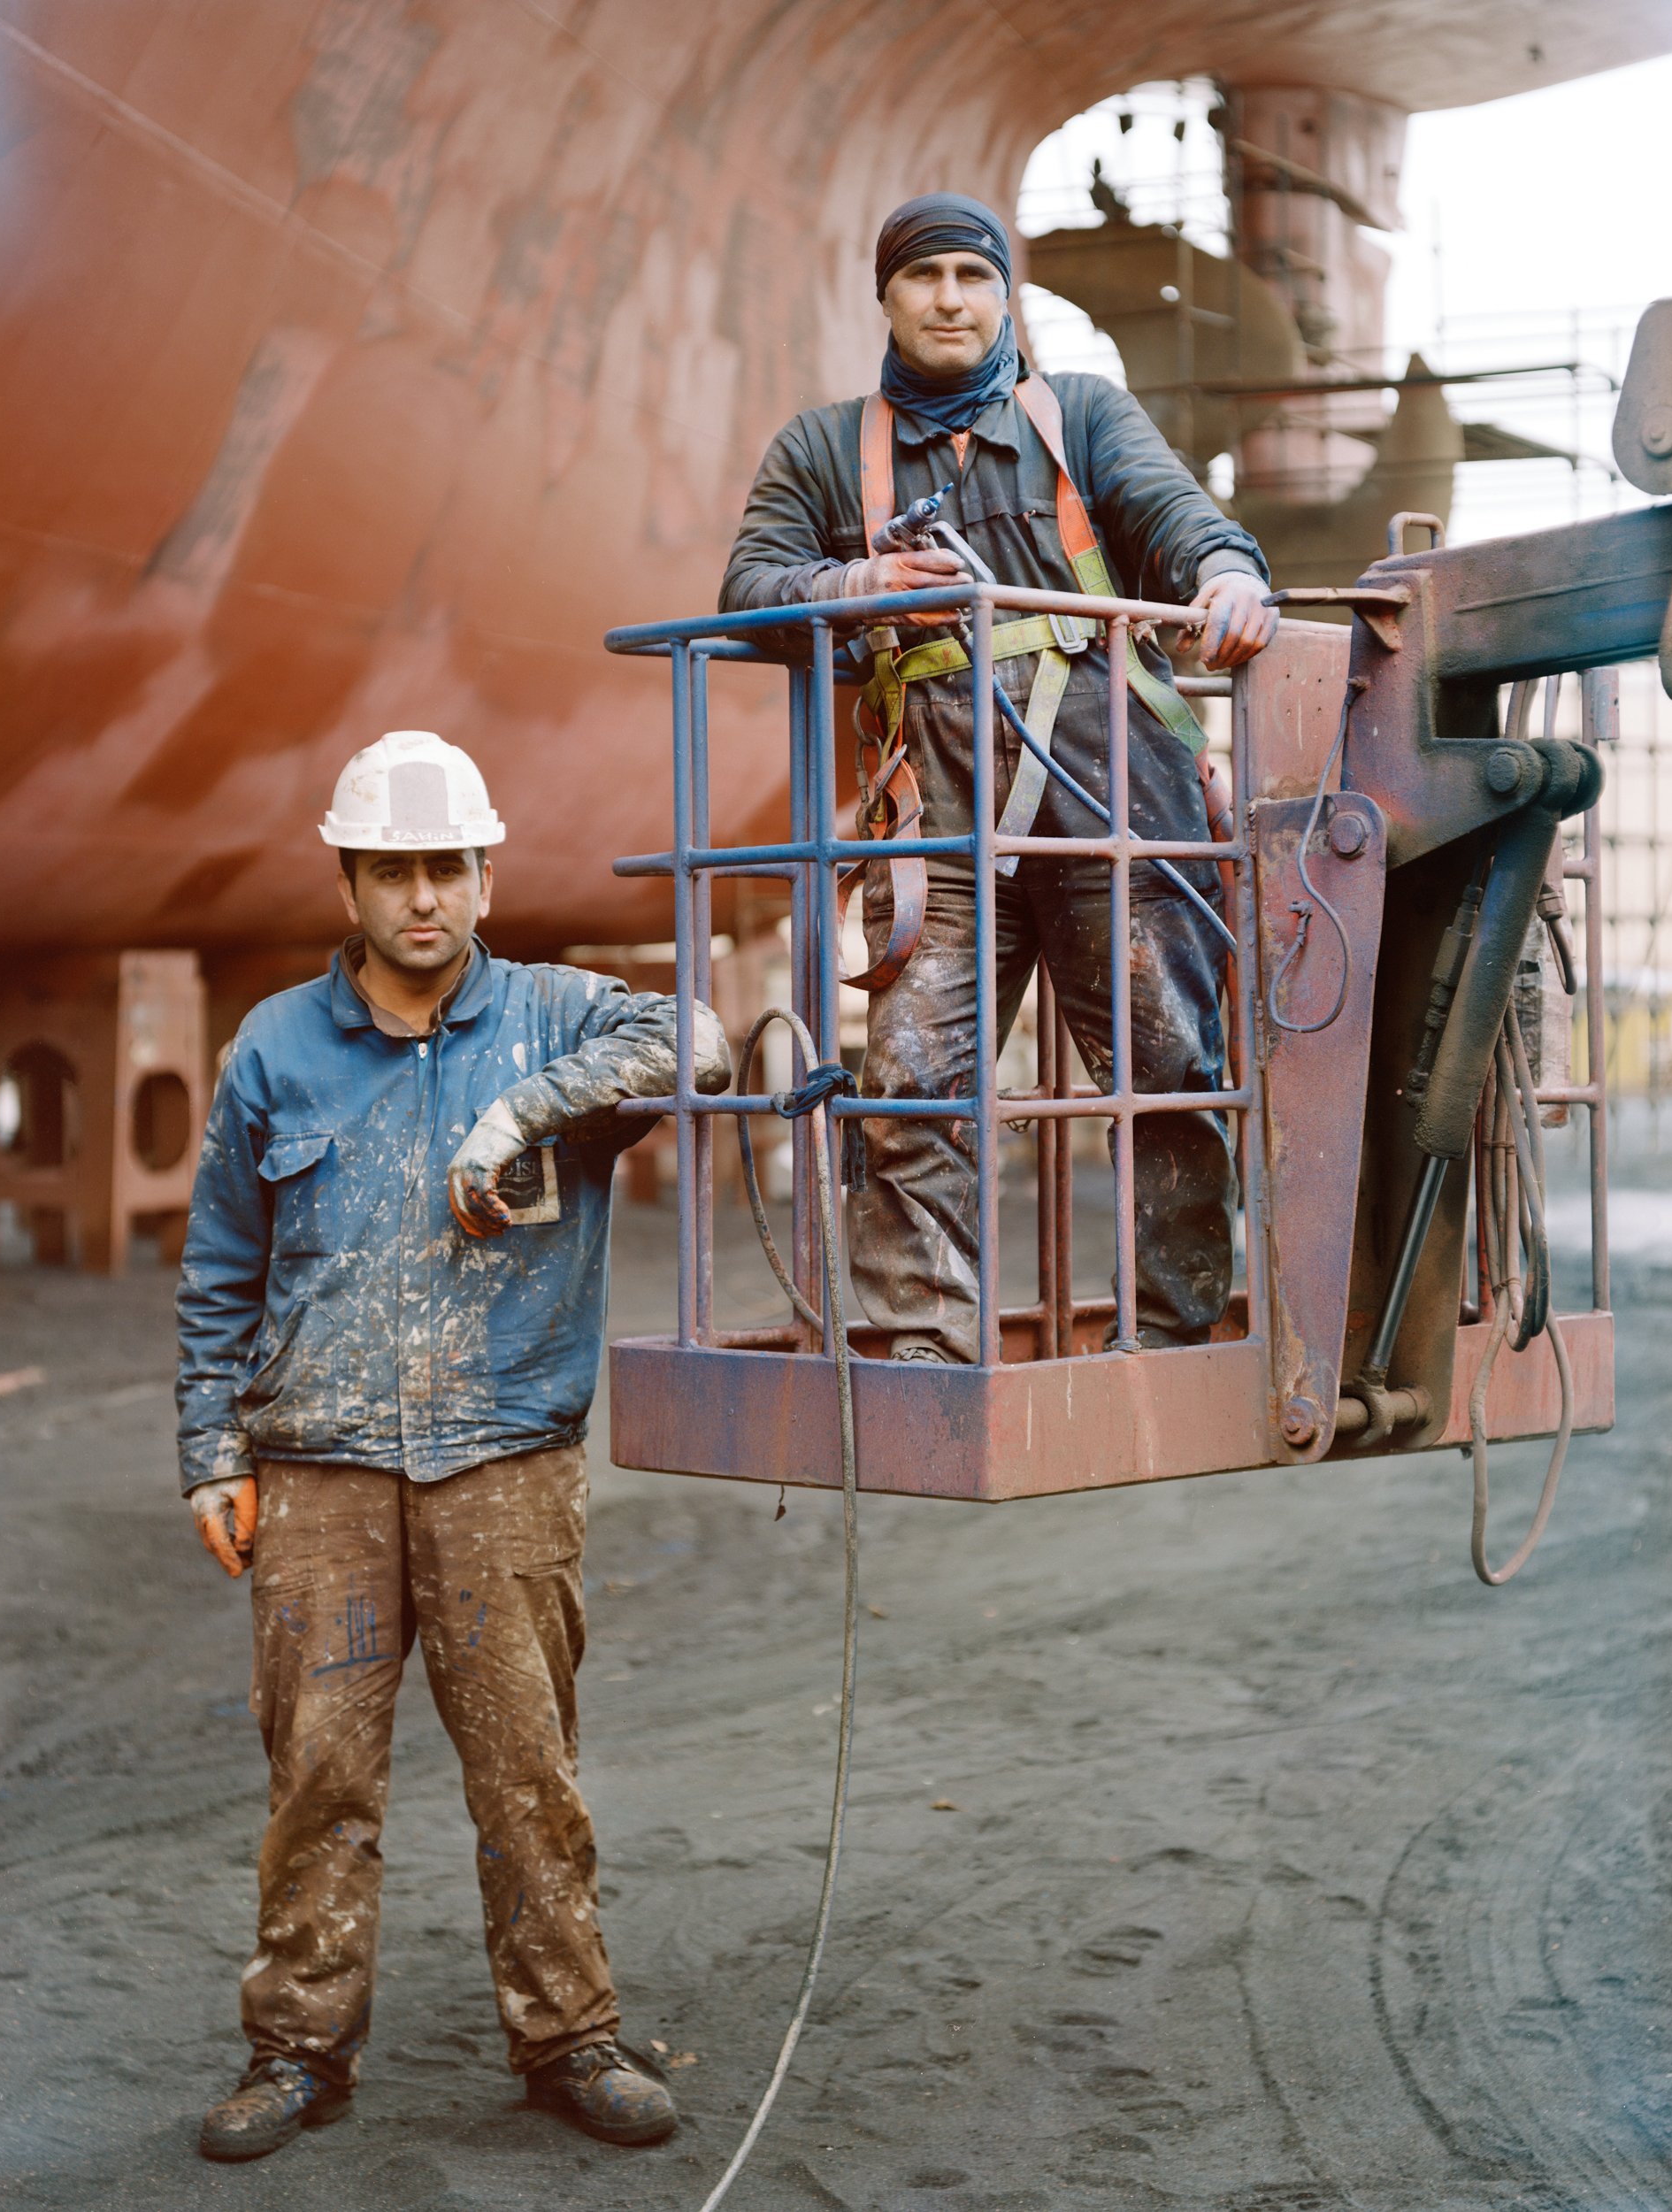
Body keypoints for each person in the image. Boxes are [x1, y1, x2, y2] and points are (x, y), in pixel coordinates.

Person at [177, 729, 730, 2162]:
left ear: (486, 874)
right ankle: (297, 2051)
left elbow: (703, 1040)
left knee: (527, 1772)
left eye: (450, 868)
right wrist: (210, 1450)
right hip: (318, 1471)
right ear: (349, 880)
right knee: (318, 1780)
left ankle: (569, 2037)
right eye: (394, 870)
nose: (424, 895)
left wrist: (522, 1107)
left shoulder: (559, 1017)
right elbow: (221, 1264)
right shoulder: (275, 1051)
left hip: (504, 1466)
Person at [720, 193, 1278, 1361]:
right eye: (924, 279)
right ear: (888, 297)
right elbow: (750, 588)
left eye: (974, 277)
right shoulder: (828, 449)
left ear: (1006, 295)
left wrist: (1226, 571)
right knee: (916, 1074)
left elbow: (1178, 519)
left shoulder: (1079, 417)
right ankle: (932, 1344)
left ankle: (1171, 1334)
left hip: (1117, 787)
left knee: (1166, 1058)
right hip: (940, 815)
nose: (950, 300)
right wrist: (857, 589)